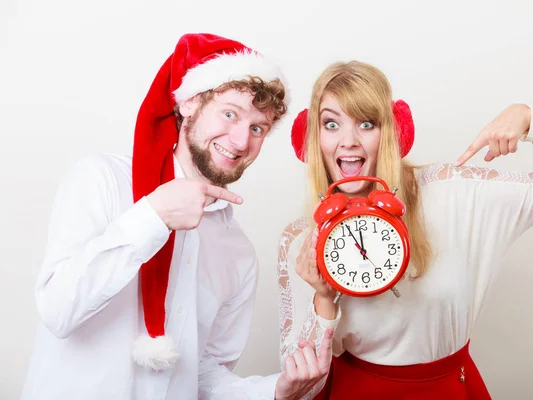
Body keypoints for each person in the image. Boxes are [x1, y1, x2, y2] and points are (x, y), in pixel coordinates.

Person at [20, 33, 334, 400]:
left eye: (257, 128)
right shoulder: (102, 179)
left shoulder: (239, 252)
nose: (239, 141)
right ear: (189, 103)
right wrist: (152, 217)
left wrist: (274, 393)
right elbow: (58, 311)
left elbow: (203, 375)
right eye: (229, 113)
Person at [277, 60, 533, 399]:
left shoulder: (451, 193)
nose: (349, 141)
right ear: (313, 135)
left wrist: (530, 118)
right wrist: (324, 298)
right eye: (331, 124)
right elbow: (300, 387)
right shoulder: (301, 238)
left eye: (367, 123)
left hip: (449, 389)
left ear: (389, 131)